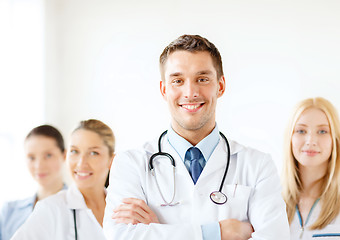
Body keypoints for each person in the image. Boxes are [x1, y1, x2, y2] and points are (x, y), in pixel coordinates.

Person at [103, 34, 289, 240]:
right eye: (178, 81)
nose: (190, 92)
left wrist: (158, 231)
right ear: (164, 90)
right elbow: (120, 236)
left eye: (202, 79)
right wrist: (218, 233)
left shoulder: (257, 165)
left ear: (220, 86)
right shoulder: (131, 164)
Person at [11, 119, 115, 240]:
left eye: (93, 153)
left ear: (111, 160)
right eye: (74, 151)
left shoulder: (126, 208)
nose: (81, 163)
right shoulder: (51, 209)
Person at [282, 97, 340, 239]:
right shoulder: (271, 200)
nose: (311, 141)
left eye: (322, 131)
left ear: (335, 140)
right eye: (301, 131)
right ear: (290, 137)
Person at [0, 125, 66, 240]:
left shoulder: (85, 208)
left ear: (64, 155)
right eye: (31, 157)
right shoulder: (9, 212)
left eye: (48, 155)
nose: (39, 166)